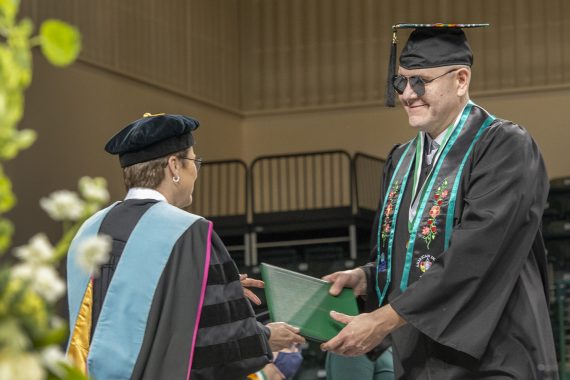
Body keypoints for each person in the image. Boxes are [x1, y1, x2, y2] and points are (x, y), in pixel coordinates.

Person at [321, 24, 559, 379]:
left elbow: (478, 253)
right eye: (400, 82)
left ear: (461, 79)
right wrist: (369, 277)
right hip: (420, 358)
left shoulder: (503, 146)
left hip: (494, 356)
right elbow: (415, 252)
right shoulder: (401, 160)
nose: (407, 94)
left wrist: (384, 319)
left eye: (421, 81)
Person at [65, 113, 304, 379]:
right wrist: (267, 336)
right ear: (174, 166)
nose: (196, 170)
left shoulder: (90, 229)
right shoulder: (189, 232)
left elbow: (115, 314)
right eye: (194, 161)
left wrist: (203, 288)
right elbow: (211, 344)